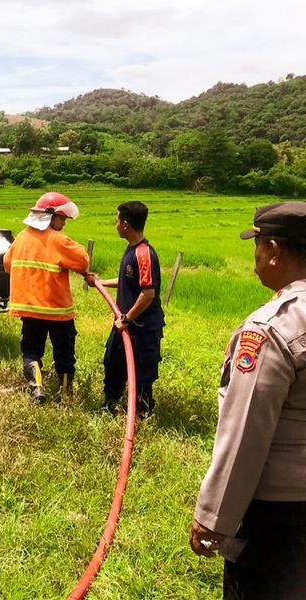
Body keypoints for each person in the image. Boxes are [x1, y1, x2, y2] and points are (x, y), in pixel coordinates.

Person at [189, 201, 306, 599]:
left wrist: (213, 518)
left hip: (280, 511)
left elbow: (246, 434)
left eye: (256, 246)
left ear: (274, 250)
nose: (254, 256)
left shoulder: (274, 327)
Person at [3, 191, 90, 403]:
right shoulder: (59, 240)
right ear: (50, 216)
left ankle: (37, 389)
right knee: (64, 354)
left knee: (31, 352)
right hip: (57, 311)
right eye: (62, 218)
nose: (64, 223)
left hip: (30, 310)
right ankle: (66, 396)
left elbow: (7, 264)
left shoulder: (22, 237)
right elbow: (83, 261)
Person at [84, 201, 164, 416]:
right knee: (113, 364)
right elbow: (128, 282)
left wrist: (127, 317)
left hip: (141, 327)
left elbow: (148, 294)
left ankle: (142, 413)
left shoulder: (144, 254)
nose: (116, 224)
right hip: (124, 323)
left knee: (141, 373)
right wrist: (100, 283)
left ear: (125, 224)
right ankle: (109, 406)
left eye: (117, 220)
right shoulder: (131, 250)